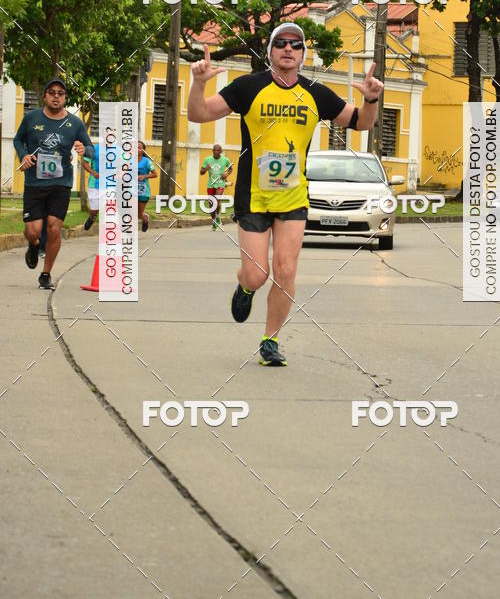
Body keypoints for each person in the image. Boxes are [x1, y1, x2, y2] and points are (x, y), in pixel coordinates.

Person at [187, 23, 383, 366]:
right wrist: (199, 83)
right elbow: (198, 113)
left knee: (286, 271)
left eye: (296, 44)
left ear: (304, 54)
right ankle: (245, 286)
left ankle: (270, 341)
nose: (288, 48)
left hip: (293, 197)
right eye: (280, 43)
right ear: (270, 52)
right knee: (257, 274)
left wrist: (371, 99)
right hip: (253, 195)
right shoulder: (248, 87)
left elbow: (362, 122)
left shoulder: (316, 94)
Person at [13, 77, 94, 289]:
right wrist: (23, 155)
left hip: (61, 183)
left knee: (54, 228)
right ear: (45, 96)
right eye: (52, 93)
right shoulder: (31, 118)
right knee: (33, 231)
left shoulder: (75, 123)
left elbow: (91, 149)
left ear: (65, 98)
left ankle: (46, 274)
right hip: (34, 183)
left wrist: (84, 150)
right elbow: (17, 140)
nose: (56, 97)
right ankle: (33, 245)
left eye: (60, 93)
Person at [200, 143, 233, 229]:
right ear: (212, 151)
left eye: (218, 150)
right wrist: (206, 169)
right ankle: (214, 221)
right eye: (214, 150)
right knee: (211, 204)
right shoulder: (207, 159)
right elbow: (201, 172)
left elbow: (230, 169)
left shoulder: (225, 160)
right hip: (210, 184)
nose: (216, 152)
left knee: (217, 200)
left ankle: (218, 216)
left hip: (220, 183)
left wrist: (226, 174)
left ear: (221, 151)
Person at [137, 141, 157, 232]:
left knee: (139, 214)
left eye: (139, 147)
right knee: (129, 212)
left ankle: (145, 217)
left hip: (143, 191)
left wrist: (144, 176)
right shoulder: (128, 160)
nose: (136, 149)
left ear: (143, 150)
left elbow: (155, 174)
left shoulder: (147, 162)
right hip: (130, 190)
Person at [81, 142, 101, 231]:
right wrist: (94, 173)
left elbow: (126, 163)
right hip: (94, 184)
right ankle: (92, 218)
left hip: (111, 184)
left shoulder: (118, 149)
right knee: (94, 210)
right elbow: (84, 163)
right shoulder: (94, 149)